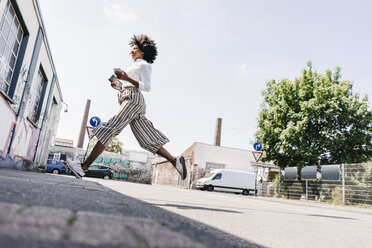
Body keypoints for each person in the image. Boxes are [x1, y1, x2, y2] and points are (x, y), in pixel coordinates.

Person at [68, 34, 187, 180]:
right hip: (129, 98)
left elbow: (147, 87)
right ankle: (176, 161)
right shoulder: (135, 65)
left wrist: (126, 78)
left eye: (135, 48)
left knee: (110, 129)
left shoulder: (144, 65)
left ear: (143, 51)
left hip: (133, 100)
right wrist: (118, 85)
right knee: (146, 139)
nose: (132, 50)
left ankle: (83, 167)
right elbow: (129, 85)